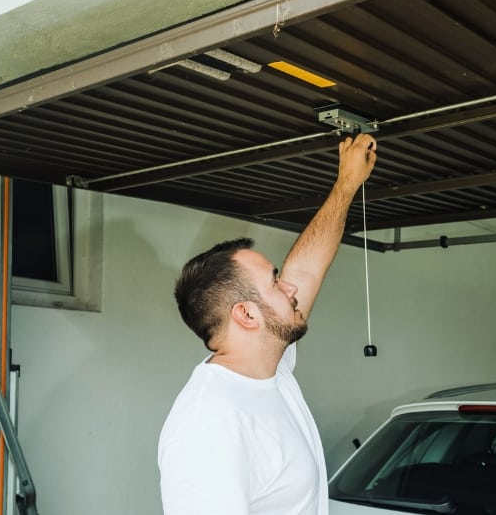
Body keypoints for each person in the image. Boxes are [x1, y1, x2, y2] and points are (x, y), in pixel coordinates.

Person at [158, 133, 377, 515]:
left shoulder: (271, 371)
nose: (290, 286)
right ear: (246, 314)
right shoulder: (208, 423)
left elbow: (306, 270)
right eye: (275, 281)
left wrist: (347, 184)